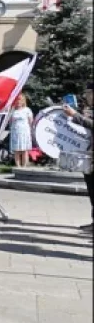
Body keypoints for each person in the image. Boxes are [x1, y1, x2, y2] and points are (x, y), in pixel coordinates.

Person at [60, 83, 93, 233]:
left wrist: (75, 115)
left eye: (88, 93)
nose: (86, 96)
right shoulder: (89, 110)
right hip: (89, 156)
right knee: (92, 191)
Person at [8, 93, 34, 168]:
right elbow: (10, 122)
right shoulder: (12, 110)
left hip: (24, 132)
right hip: (15, 132)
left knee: (24, 150)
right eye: (17, 100)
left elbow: (30, 121)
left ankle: (25, 166)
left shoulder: (27, 110)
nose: (18, 102)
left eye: (20, 100)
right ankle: (18, 166)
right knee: (17, 150)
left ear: (23, 101)